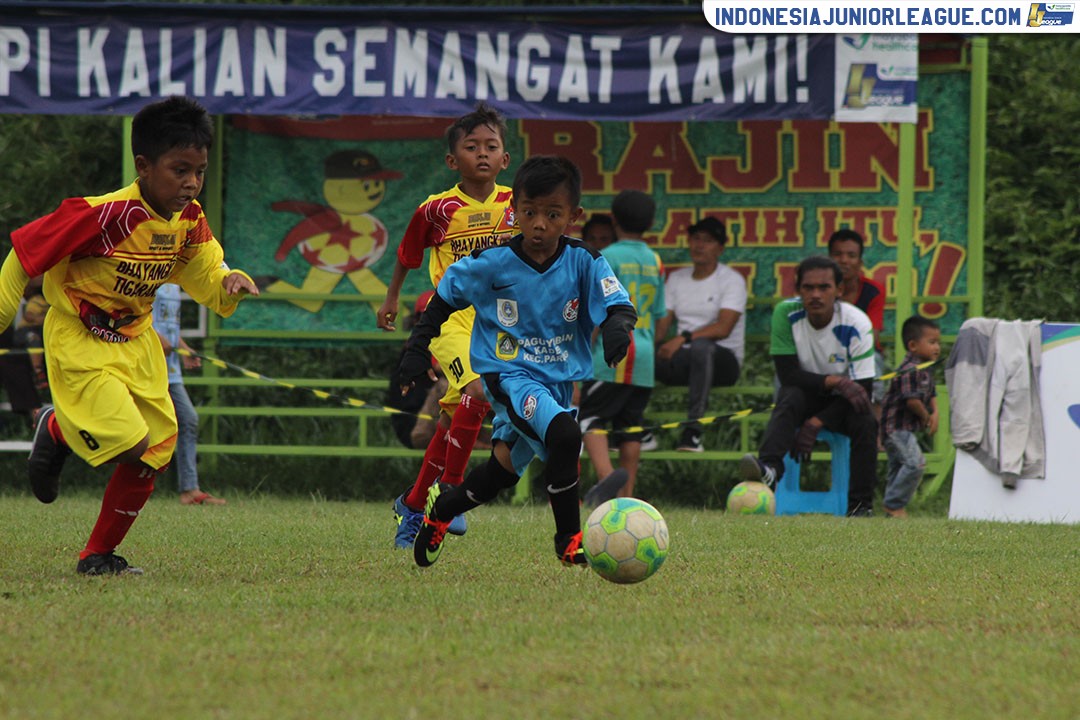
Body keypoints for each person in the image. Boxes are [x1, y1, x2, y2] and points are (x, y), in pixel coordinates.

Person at [0, 96, 259, 574]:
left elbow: (204, 267)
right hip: (81, 337)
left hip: (137, 340)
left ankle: (96, 557)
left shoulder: (189, 220)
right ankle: (56, 428)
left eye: (199, 171)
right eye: (179, 170)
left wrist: (228, 280)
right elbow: (22, 255)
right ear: (143, 165)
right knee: (129, 440)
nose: (191, 183)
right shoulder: (102, 215)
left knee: (159, 447)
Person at [398, 155, 636, 568]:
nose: (539, 224)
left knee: (500, 475)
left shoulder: (585, 260)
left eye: (552, 214)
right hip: (508, 375)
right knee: (564, 436)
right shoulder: (493, 263)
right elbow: (443, 300)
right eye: (529, 213)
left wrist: (618, 327)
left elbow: (618, 303)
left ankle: (442, 511)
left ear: (573, 216)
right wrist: (417, 349)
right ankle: (568, 540)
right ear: (515, 211)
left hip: (557, 382)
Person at [376, 102, 516, 549]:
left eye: (491, 146)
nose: (482, 153)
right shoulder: (436, 209)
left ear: (504, 158)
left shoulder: (517, 204)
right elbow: (407, 255)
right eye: (471, 146)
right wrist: (393, 298)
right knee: (477, 392)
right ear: (452, 160)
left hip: (500, 322)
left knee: (454, 419)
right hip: (451, 319)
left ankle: (414, 506)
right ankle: (451, 496)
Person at [739, 255, 878, 517]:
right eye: (808, 288)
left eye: (824, 287)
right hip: (805, 393)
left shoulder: (857, 323)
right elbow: (789, 374)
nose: (816, 294)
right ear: (798, 290)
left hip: (843, 403)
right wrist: (834, 380)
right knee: (789, 394)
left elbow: (862, 392)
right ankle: (769, 471)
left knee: (865, 419)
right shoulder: (786, 313)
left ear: (839, 290)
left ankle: (861, 506)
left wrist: (816, 423)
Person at [578, 190, 665, 502]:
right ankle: (628, 496)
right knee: (630, 426)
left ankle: (606, 479)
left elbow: (594, 312)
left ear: (614, 221)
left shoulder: (607, 257)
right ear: (652, 223)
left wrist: (582, 357)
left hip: (610, 356)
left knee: (587, 417)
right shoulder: (655, 260)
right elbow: (660, 314)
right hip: (644, 358)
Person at [654, 217, 746, 452]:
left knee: (702, 347)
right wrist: (642, 344)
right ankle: (634, 429)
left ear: (720, 248)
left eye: (707, 241)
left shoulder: (731, 280)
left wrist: (682, 338)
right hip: (684, 360)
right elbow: (662, 328)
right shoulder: (676, 279)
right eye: (696, 239)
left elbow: (723, 328)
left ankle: (692, 431)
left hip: (723, 362)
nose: (699, 246)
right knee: (639, 352)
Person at [152, 282, 225, 506]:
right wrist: (154, 338)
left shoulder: (175, 285)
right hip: (147, 369)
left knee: (188, 419)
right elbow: (134, 317)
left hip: (171, 371)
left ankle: (189, 490)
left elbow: (169, 325)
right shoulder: (151, 275)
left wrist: (184, 348)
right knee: (139, 428)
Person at [880, 316, 941, 518]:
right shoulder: (909, 370)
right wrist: (925, 417)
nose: (937, 348)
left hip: (905, 428)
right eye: (932, 342)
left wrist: (936, 413)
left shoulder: (925, 368)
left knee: (898, 467)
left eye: (938, 343)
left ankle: (891, 509)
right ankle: (893, 504)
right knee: (915, 463)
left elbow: (931, 394)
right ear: (913, 345)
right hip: (894, 428)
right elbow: (912, 401)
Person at [828, 228, 886, 407]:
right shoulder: (819, 288)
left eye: (851, 255)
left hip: (860, 352)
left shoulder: (874, 290)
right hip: (824, 352)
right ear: (828, 259)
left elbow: (871, 336)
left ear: (860, 261)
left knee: (873, 362)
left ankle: (874, 430)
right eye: (838, 254)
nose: (844, 260)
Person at [387, 290, 449, 450]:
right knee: (452, 385)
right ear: (417, 321)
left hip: (422, 421)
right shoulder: (420, 347)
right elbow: (441, 367)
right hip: (416, 428)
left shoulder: (421, 344)